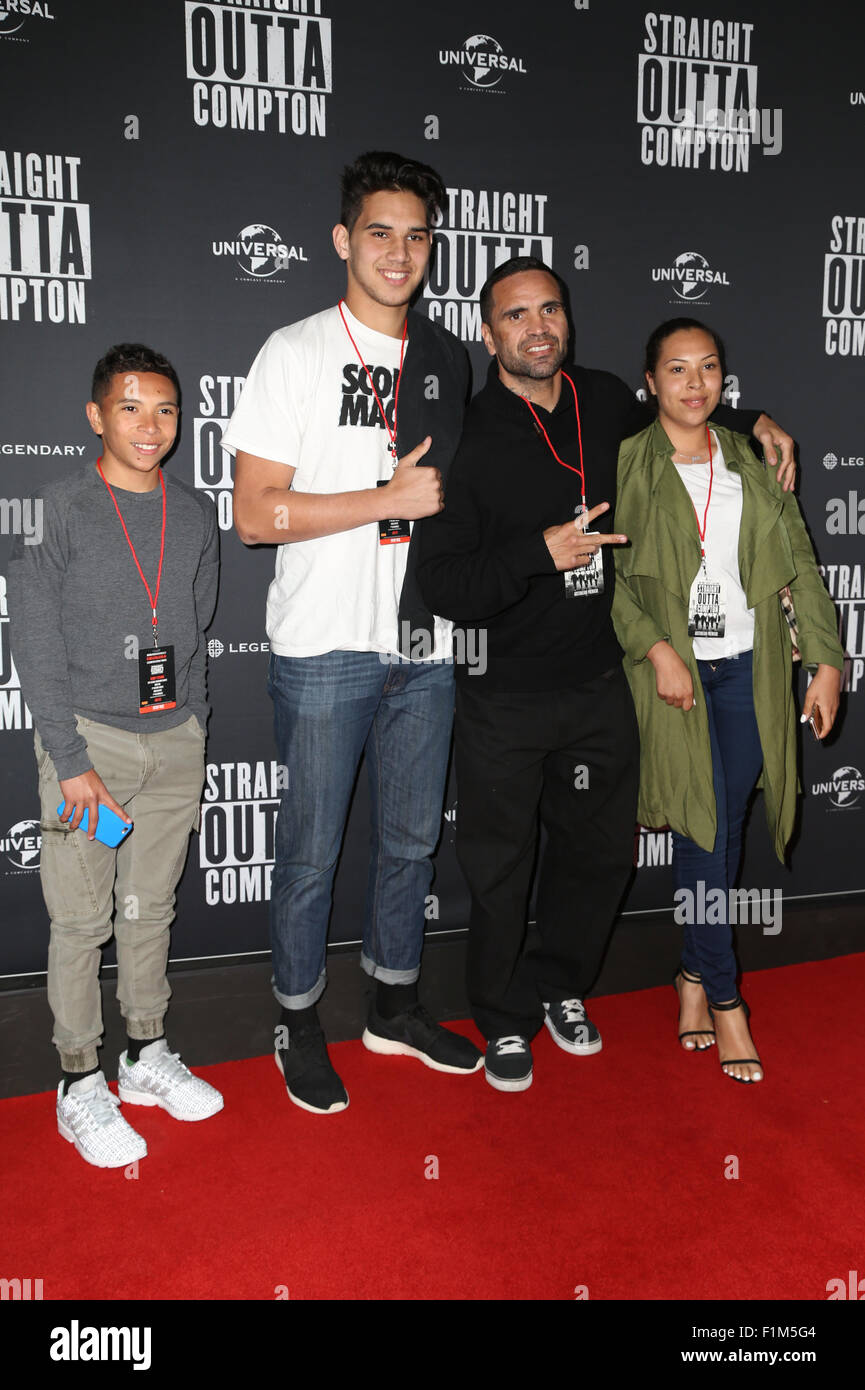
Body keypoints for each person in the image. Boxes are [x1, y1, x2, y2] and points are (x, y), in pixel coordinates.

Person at [415, 257, 797, 1093]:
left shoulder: (602, 401)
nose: (537, 327)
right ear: (490, 334)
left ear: (568, 321)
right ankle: (506, 1017)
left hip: (600, 684)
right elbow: (439, 584)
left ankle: (561, 988)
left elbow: (682, 406)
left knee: (595, 860)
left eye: (550, 310)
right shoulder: (466, 436)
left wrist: (756, 416)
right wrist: (535, 555)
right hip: (503, 691)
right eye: (516, 316)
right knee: (503, 867)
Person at [222, 151, 481, 1117]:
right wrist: (384, 501)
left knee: (412, 845)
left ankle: (394, 1005)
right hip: (324, 645)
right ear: (343, 240)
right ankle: (296, 1016)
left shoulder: (448, 359)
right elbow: (254, 516)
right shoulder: (292, 351)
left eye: (417, 235)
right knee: (311, 854)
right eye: (380, 231)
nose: (399, 252)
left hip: (423, 646)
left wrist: (747, 418)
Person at [8, 344, 223, 1168]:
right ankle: (77, 1082)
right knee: (81, 919)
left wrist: (193, 726)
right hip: (87, 747)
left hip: (172, 742)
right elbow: (35, 643)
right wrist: (68, 758)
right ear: (97, 416)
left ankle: (144, 1055)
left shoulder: (196, 514)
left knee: (149, 911)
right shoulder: (58, 508)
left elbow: (196, 637)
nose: (150, 425)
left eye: (165, 409)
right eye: (131, 408)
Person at [612, 318, 844, 1083]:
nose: (694, 383)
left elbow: (801, 568)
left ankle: (687, 976)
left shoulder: (750, 458)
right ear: (651, 382)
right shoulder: (628, 463)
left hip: (750, 671)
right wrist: (657, 650)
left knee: (724, 831)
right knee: (707, 832)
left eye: (707, 367)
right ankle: (724, 997)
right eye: (676, 370)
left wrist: (826, 661)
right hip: (676, 677)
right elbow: (612, 585)